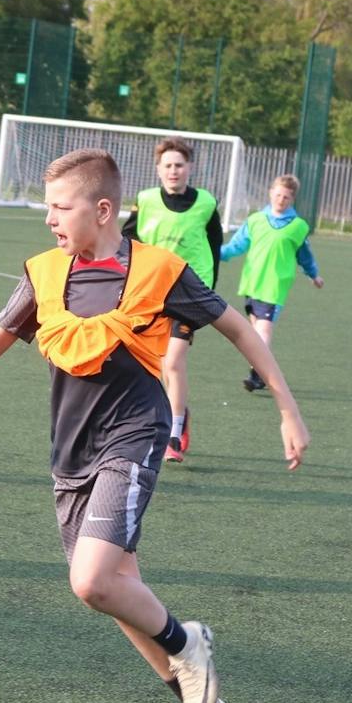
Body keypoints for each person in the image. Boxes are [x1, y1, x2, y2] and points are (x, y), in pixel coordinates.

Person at [0, 148, 311, 703]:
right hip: (71, 450)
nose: (50, 219)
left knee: (90, 580)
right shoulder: (42, 273)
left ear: (103, 209)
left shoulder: (159, 272)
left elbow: (241, 331)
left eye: (61, 207)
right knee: (114, 593)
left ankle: (188, 642)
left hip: (135, 433)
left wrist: (287, 409)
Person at [121, 137, 223, 462]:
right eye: (168, 165)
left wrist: (208, 291)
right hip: (152, 290)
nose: (174, 171)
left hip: (191, 293)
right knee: (152, 363)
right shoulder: (146, 200)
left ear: (189, 168)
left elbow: (215, 246)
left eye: (179, 165)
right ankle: (176, 413)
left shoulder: (206, 203)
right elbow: (126, 240)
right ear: (159, 170)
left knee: (174, 361)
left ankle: (173, 434)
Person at [221, 173, 324, 392]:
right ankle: (261, 372)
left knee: (263, 332)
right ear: (270, 193)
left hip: (276, 285)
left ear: (292, 199)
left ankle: (258, 374)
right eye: (278, 195)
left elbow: (304, 255)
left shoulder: (298, 226)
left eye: (286, 197)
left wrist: (313, 274)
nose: (281, 200)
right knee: (255, 332)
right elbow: (237, 245)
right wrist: (215, 253)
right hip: (252, 282)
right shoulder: (256, 220)